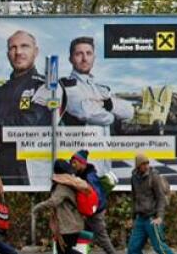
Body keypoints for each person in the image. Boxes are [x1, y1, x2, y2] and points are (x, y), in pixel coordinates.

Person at [0, 31, 51, 185]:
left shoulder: (45, 86)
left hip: (31, 176)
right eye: (13, 47)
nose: (18, 52)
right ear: (8, 54)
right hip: (1, 172)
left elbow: (25, 127)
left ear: (36, 52)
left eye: (24, 46)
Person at [57, 37, 134, 174]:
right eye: (79, 54)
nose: (84, 58)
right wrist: (111, 114)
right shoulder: (66, 86)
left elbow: (129, 111)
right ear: (71, 59)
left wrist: (105, 104)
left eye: (88, 53)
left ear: (94, 58)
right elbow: (88, 112)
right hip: (80, 167)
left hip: (104, 166)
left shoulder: (101, 89)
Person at [33, 159, 101, 254]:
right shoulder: (69, 182)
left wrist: (37, 207)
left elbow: (54, 201)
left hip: (69, 224)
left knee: (64, 250)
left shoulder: (62, 186)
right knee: (63, 250)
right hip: (71, 222)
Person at [71, 150, 127, 254]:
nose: (73, 165)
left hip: (95, 214)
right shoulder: (83, 174)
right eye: (72, 163)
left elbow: (96, 197)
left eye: (75, 163)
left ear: (82, 163)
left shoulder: (89, 177)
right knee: (79, 235)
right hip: (90, 213)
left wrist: (92, 211)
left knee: (103, 240)